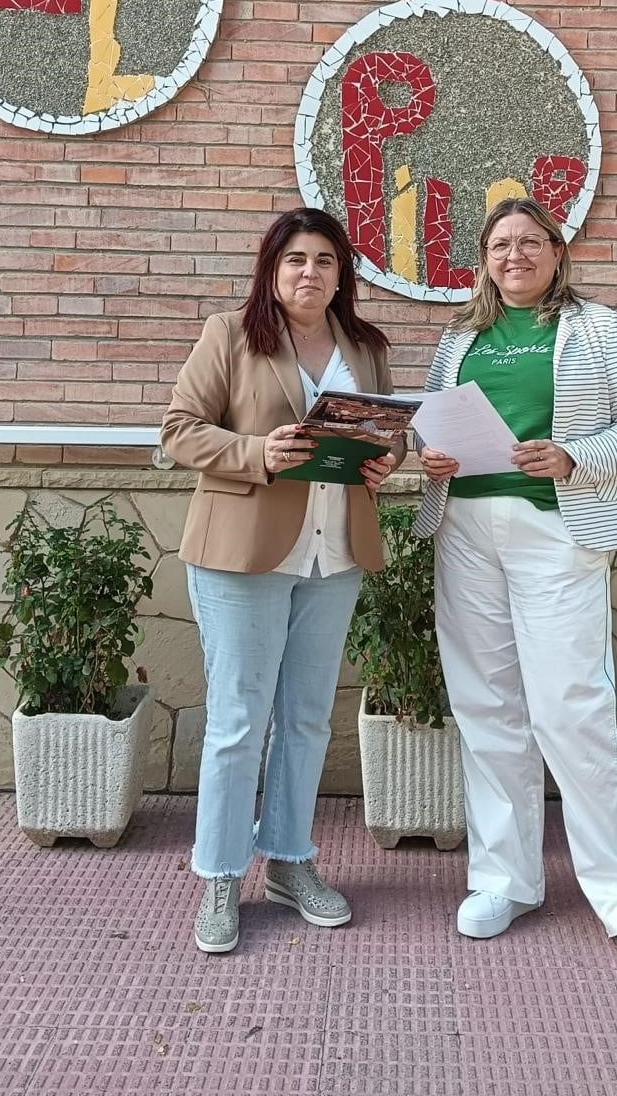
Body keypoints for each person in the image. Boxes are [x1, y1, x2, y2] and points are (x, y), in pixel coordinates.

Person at [414, 196, 617, 971]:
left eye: (530, 242)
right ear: (484, 258)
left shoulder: (597, 327)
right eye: (500, 244)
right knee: (487, 707)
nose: (515, 255)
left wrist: (570, 456)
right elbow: (429, 424)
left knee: (573, 709)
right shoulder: (459, 335)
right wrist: (426, 454)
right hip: (464, 532)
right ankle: (505, 879)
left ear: (557, 253)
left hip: (556, 533)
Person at [161, 207, 402, 954]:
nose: (310, 272)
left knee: (304, 719)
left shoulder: (364, 345)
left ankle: (291, 863)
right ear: (271, 267)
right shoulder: (229, 335)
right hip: (244, 553)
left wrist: (388, 460)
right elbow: (178, 429)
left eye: (325, 260)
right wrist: (257, 451)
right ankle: (222, 876)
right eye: (296, 259)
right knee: (238, 722)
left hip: (333, 556)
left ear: (342, 274)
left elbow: (391, 431)